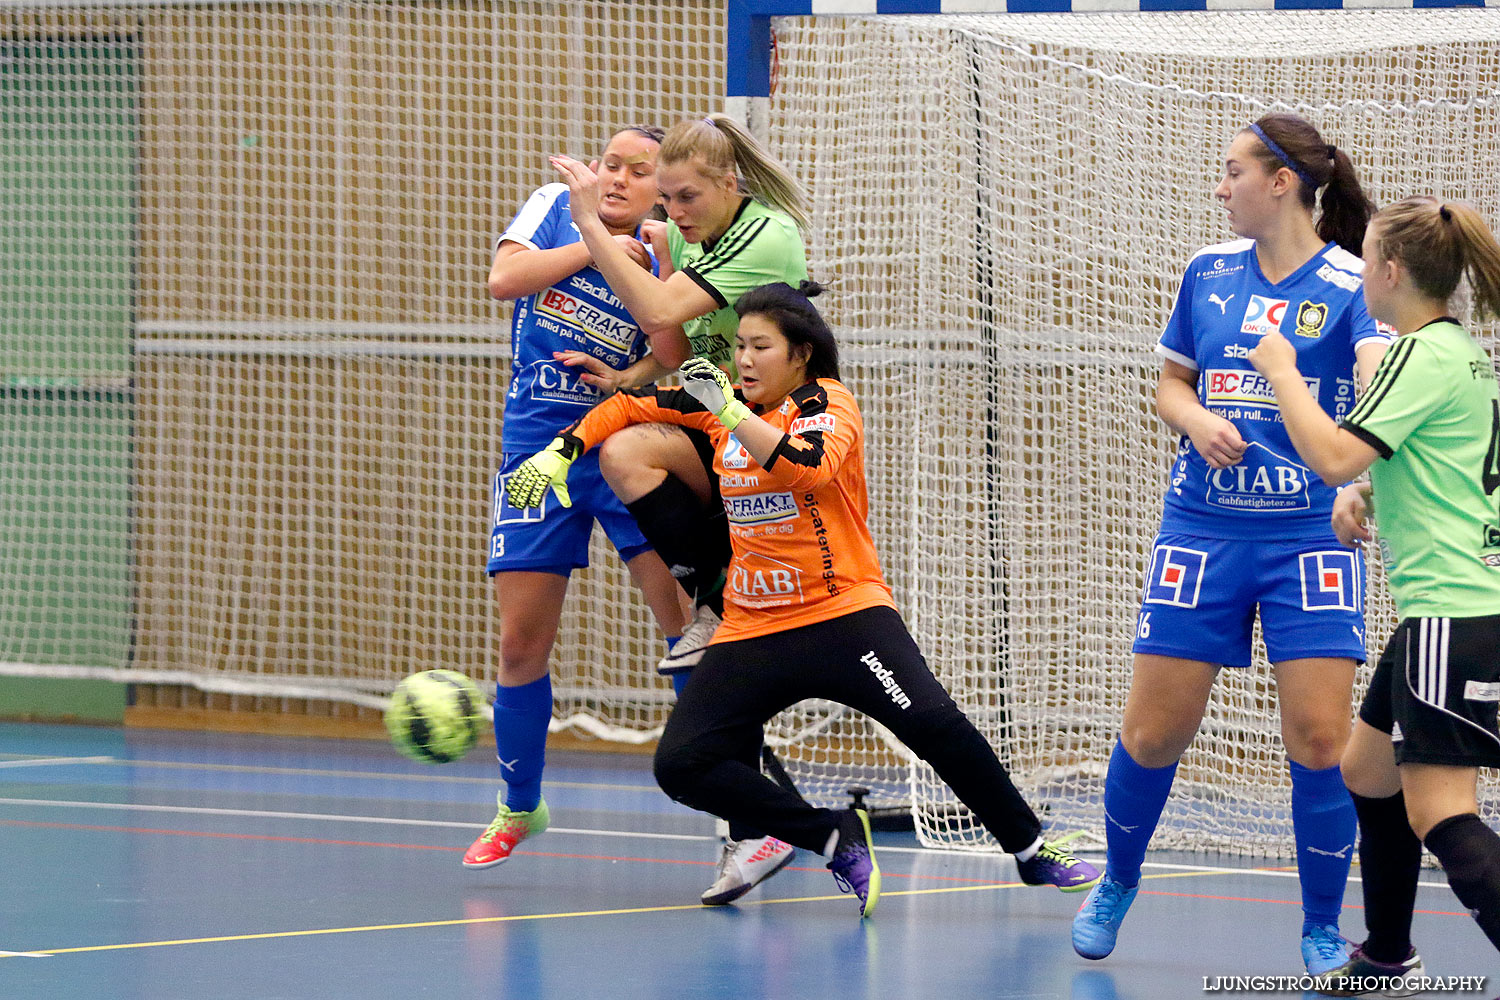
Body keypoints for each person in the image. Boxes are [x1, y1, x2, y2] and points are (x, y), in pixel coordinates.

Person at [506, 281, 1102, 918]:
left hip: (843, 615)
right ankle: (827, 834)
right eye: (738, 346)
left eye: (761, 346)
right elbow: (626, 407)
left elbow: (804, 468)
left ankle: (1031, 848)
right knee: (682, 764)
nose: (744, 359)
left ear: (801, 356)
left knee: (934, 725)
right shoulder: (722, 402)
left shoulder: (828, 404)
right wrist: (561, 451)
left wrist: (731, 415)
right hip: (754, 628)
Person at [1070, 113, 1391, 974]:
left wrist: (1359, 476)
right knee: (1152, 734)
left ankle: (1322, 927)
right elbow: (1172, 383)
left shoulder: (1355, 282)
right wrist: (1197, 418)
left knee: (1321, 742)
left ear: (1281, 181)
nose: (1221, 187)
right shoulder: (1206, 273)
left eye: (1232, 171)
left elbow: (1374, 398)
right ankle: (1119, 881)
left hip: (1308, 536)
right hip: (1203, 528)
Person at [549, 113, 812, 904]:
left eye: (685, 195)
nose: (675, 211)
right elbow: (682, 352)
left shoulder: (765, 235)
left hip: (779, 449)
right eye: (667, 198)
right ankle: (712, 595)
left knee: (819, 667)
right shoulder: (697, 238)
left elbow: (663, 312)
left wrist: (591, 221)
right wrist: (630, 379)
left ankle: (797, 824)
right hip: (720, 427)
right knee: (625, 450)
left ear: (730, 184)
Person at [1247, 196, 1500, 994]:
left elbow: (1329, 456)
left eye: (1367, 259)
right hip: (1460, 607)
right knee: (1367, 771)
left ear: (1389, 271)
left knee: (1442, 815)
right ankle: (1390, 953)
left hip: (1452, 612)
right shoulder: (1456, 351)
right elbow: (1443, 469)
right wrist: (1372, 497)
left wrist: (1285, 374)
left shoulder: (1418, 357)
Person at [463, 125, 694, 871]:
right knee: (520, 642)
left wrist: (648, 271)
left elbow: (672, 357)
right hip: (538, 447)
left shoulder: (669, 248)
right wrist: (596, 239)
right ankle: (519, 806)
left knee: (687, 626)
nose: (617, 177)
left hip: (627, 444)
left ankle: (743, 811)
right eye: (609, 164)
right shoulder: (555, 206)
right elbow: (504, 281)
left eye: (639, 170)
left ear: (663, 189)